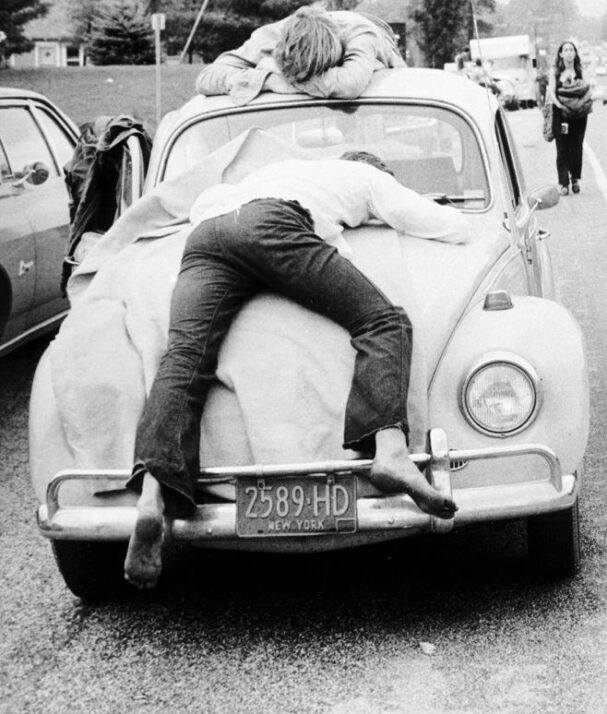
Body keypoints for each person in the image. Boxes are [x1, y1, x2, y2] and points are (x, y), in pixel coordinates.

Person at [123, 152, 468, 589]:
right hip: (273, 225)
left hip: (207, 235)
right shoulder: (363, 175)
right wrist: (462, 225)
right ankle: (391, 452)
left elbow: (208, 208)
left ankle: (153, 496)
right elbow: (424, 219)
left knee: (183, 360)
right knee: (383, 321)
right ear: (377, 169)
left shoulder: (273, 170)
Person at [195, 6, 406, 104]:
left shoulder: (361, 35)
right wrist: (268, 80)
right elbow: (206, 78)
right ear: (281, 54)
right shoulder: (271, 37)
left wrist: (272, 79)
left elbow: (349, 85)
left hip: (382, 46)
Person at [547, 41, 592, 195]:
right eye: (565, 50)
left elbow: (588, 89)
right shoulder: (555, 72)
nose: (568, 52)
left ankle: (575, 179)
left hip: (579, 115)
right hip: (562, 114)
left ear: (575, 53)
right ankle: (564, 182)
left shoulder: (580, 70)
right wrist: (560, 106)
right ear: (560, 54)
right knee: (562, 147)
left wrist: (581, 104)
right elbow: (551, 92)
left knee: (576, 146)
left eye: (571, 49)